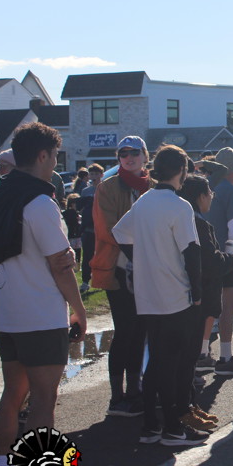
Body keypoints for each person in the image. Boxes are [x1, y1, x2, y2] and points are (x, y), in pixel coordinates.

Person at [0, 122, 87, 466]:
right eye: (55, 156)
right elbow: (60, 265)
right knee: (44, 398)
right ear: (43, 155)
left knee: (13, 394)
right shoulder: (40, 202)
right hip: (40, 313)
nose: (56, 164)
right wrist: (79, 310)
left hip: (5, 312)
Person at [112, 145, 208, 446]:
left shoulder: (143, 201)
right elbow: (191, 251)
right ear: (181, 170)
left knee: (156, 358)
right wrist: (197, 291)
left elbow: (120, 232)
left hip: (147, 291)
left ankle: (151, 426)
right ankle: (173, 428)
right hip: (175, 291)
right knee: (173, 362)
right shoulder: (180, 205)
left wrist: (142, 258)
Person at [92, 136, 151, 417]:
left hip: (149, 270)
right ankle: (117, 397)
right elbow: (106, 228)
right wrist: (137, 247)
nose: (128, 157)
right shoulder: (107, 187)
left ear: (145, 156)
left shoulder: (153, 187)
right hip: (118, 269)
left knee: (141, 331)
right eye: (123, 153)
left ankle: (135, 390)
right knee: (125, 330)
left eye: (134, 152)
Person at [178, 175, 233, 431]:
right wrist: (231, 260)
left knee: (187, 356)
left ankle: (189, 406)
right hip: (195, 295)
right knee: (186, 356)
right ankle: (182, 412)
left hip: (190, 294)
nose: (211, 196)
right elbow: (210, 263)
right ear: (200, 196)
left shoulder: (189, 219)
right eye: (209, 192)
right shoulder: (197, 223)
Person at [200, 146, 233, 378]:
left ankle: (202, 354)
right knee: (228, 306)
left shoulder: (207, 186)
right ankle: (225, 357)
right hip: (224, 254)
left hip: (203, 254)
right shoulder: (231, 190)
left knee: (208, 306)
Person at [78, 164, 104, 293]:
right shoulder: (85, 191)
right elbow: (80, 209)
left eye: (96, 174)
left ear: (101, 175)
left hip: (102, 227)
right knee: (87, 256)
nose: (94, 177)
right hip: (88, 228)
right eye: (92, 174)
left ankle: (102, 279)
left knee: (102, 255)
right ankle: (85, 281)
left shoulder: (105, 189)